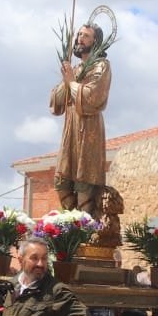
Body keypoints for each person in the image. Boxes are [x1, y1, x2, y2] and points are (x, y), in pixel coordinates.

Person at [48, 21, 112, 217]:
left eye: (85, 36)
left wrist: (72, 84)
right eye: (79, 35)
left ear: (95, 42)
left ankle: (85, 226)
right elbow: (56, 103)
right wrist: (66, 81)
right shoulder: (75, 69)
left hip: (88, 127)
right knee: (62, 182)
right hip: (71, 130)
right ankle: (70, 221)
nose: (79, 38)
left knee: (84, 182)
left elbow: (93, 98)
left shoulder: (102, 66)